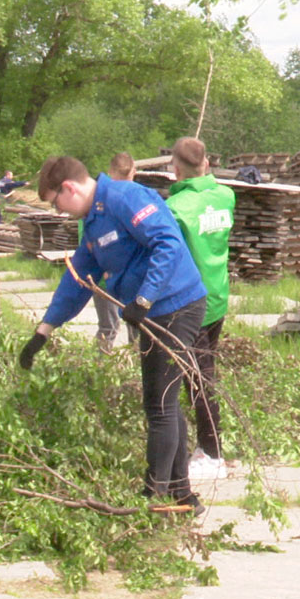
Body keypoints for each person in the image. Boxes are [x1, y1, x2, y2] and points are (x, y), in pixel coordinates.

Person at [18, 156, 208, 515]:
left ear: (69, 188)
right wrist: (43, 332)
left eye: (55, 202)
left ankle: (152, 497)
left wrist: (144, 297)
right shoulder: (93, 223)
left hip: (177, 305)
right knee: (163, 401)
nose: (58, 211)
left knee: (159, 403)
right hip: (152, 311)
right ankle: (183, 495)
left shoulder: (125, 198)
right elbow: (78, 281)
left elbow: (167, 244)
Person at [165, 137, 236, 481]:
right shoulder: (226, 196)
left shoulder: (176, 208)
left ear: (175, 170)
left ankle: (212, 453)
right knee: (203, 373)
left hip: (191, 304)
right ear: (207, 164)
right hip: (219, 295)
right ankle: (208, 447)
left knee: (199, 379)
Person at [94, 152, 136, 351]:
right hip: (117, 275)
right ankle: (135, 370)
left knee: (112, 326)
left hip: (116, 275)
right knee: (131, 326)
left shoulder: (97, 200)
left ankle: (102, 368)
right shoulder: (102, 202)